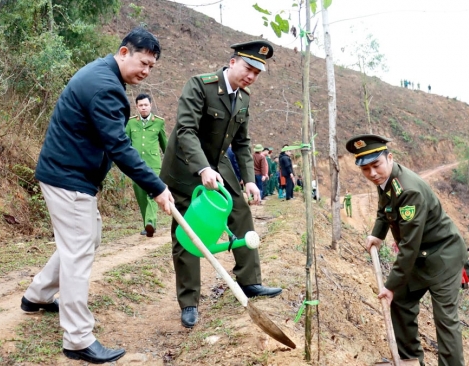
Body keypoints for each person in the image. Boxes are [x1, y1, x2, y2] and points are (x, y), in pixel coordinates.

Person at [19, 28, 174, 364]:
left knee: (86, 238)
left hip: (68, 174)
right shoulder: (104, 87)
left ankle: (38, 295)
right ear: (123, 52)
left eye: (151, 67)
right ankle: (77, 339)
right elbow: (119, 147)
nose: (145, 72)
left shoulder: (103, 76)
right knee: (78, 250)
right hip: (68, 177)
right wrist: (157, 187)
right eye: (143, 63)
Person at [160, 40, 282, 329]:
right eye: (248, 68)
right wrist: (202, 167)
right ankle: (189, 302)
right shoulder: (200, 85)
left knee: (240, 211)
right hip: (185, 165)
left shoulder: (244, 98)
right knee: (188, 230)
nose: (251, 76)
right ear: (232, 63)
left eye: (257, 73)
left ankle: (250, 281)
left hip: (218, 164)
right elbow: (186, 129)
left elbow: (242, 142)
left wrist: (250, 181)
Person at [345, 134, 467, 366]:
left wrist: (390, 286)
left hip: (444, 256)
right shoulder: (387, 180)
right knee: (400, 302)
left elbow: (409, 247)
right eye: (366, 169)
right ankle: (410, 360)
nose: (372, 173)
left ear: (389, 158)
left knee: (445, 320)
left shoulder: (409, 191)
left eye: (376, 165)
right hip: (421, 256)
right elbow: (385, 209)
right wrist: (377, 234)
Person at [125, 93, 168, 237]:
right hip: (135, 166)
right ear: (136, 107)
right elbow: (125, 144)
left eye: (146, 105)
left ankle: (151, 222)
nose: (143, 108)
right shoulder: (131, 123)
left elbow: (165, 145)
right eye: (140, 105)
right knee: (141, 195)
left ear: (150, 105)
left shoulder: (159, 122)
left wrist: (169, 164)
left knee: (152, 194)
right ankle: (147, 225)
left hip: (154, 165)